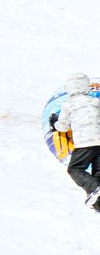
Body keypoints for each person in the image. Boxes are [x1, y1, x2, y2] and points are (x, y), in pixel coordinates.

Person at [54, 73, 100, 209]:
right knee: (98, 172)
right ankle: (98, 205)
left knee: (74, 169)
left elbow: (63, 126)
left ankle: (95, 187)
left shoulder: (68, 105)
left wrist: (54, 123)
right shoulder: (95, 102)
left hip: (85, 143)